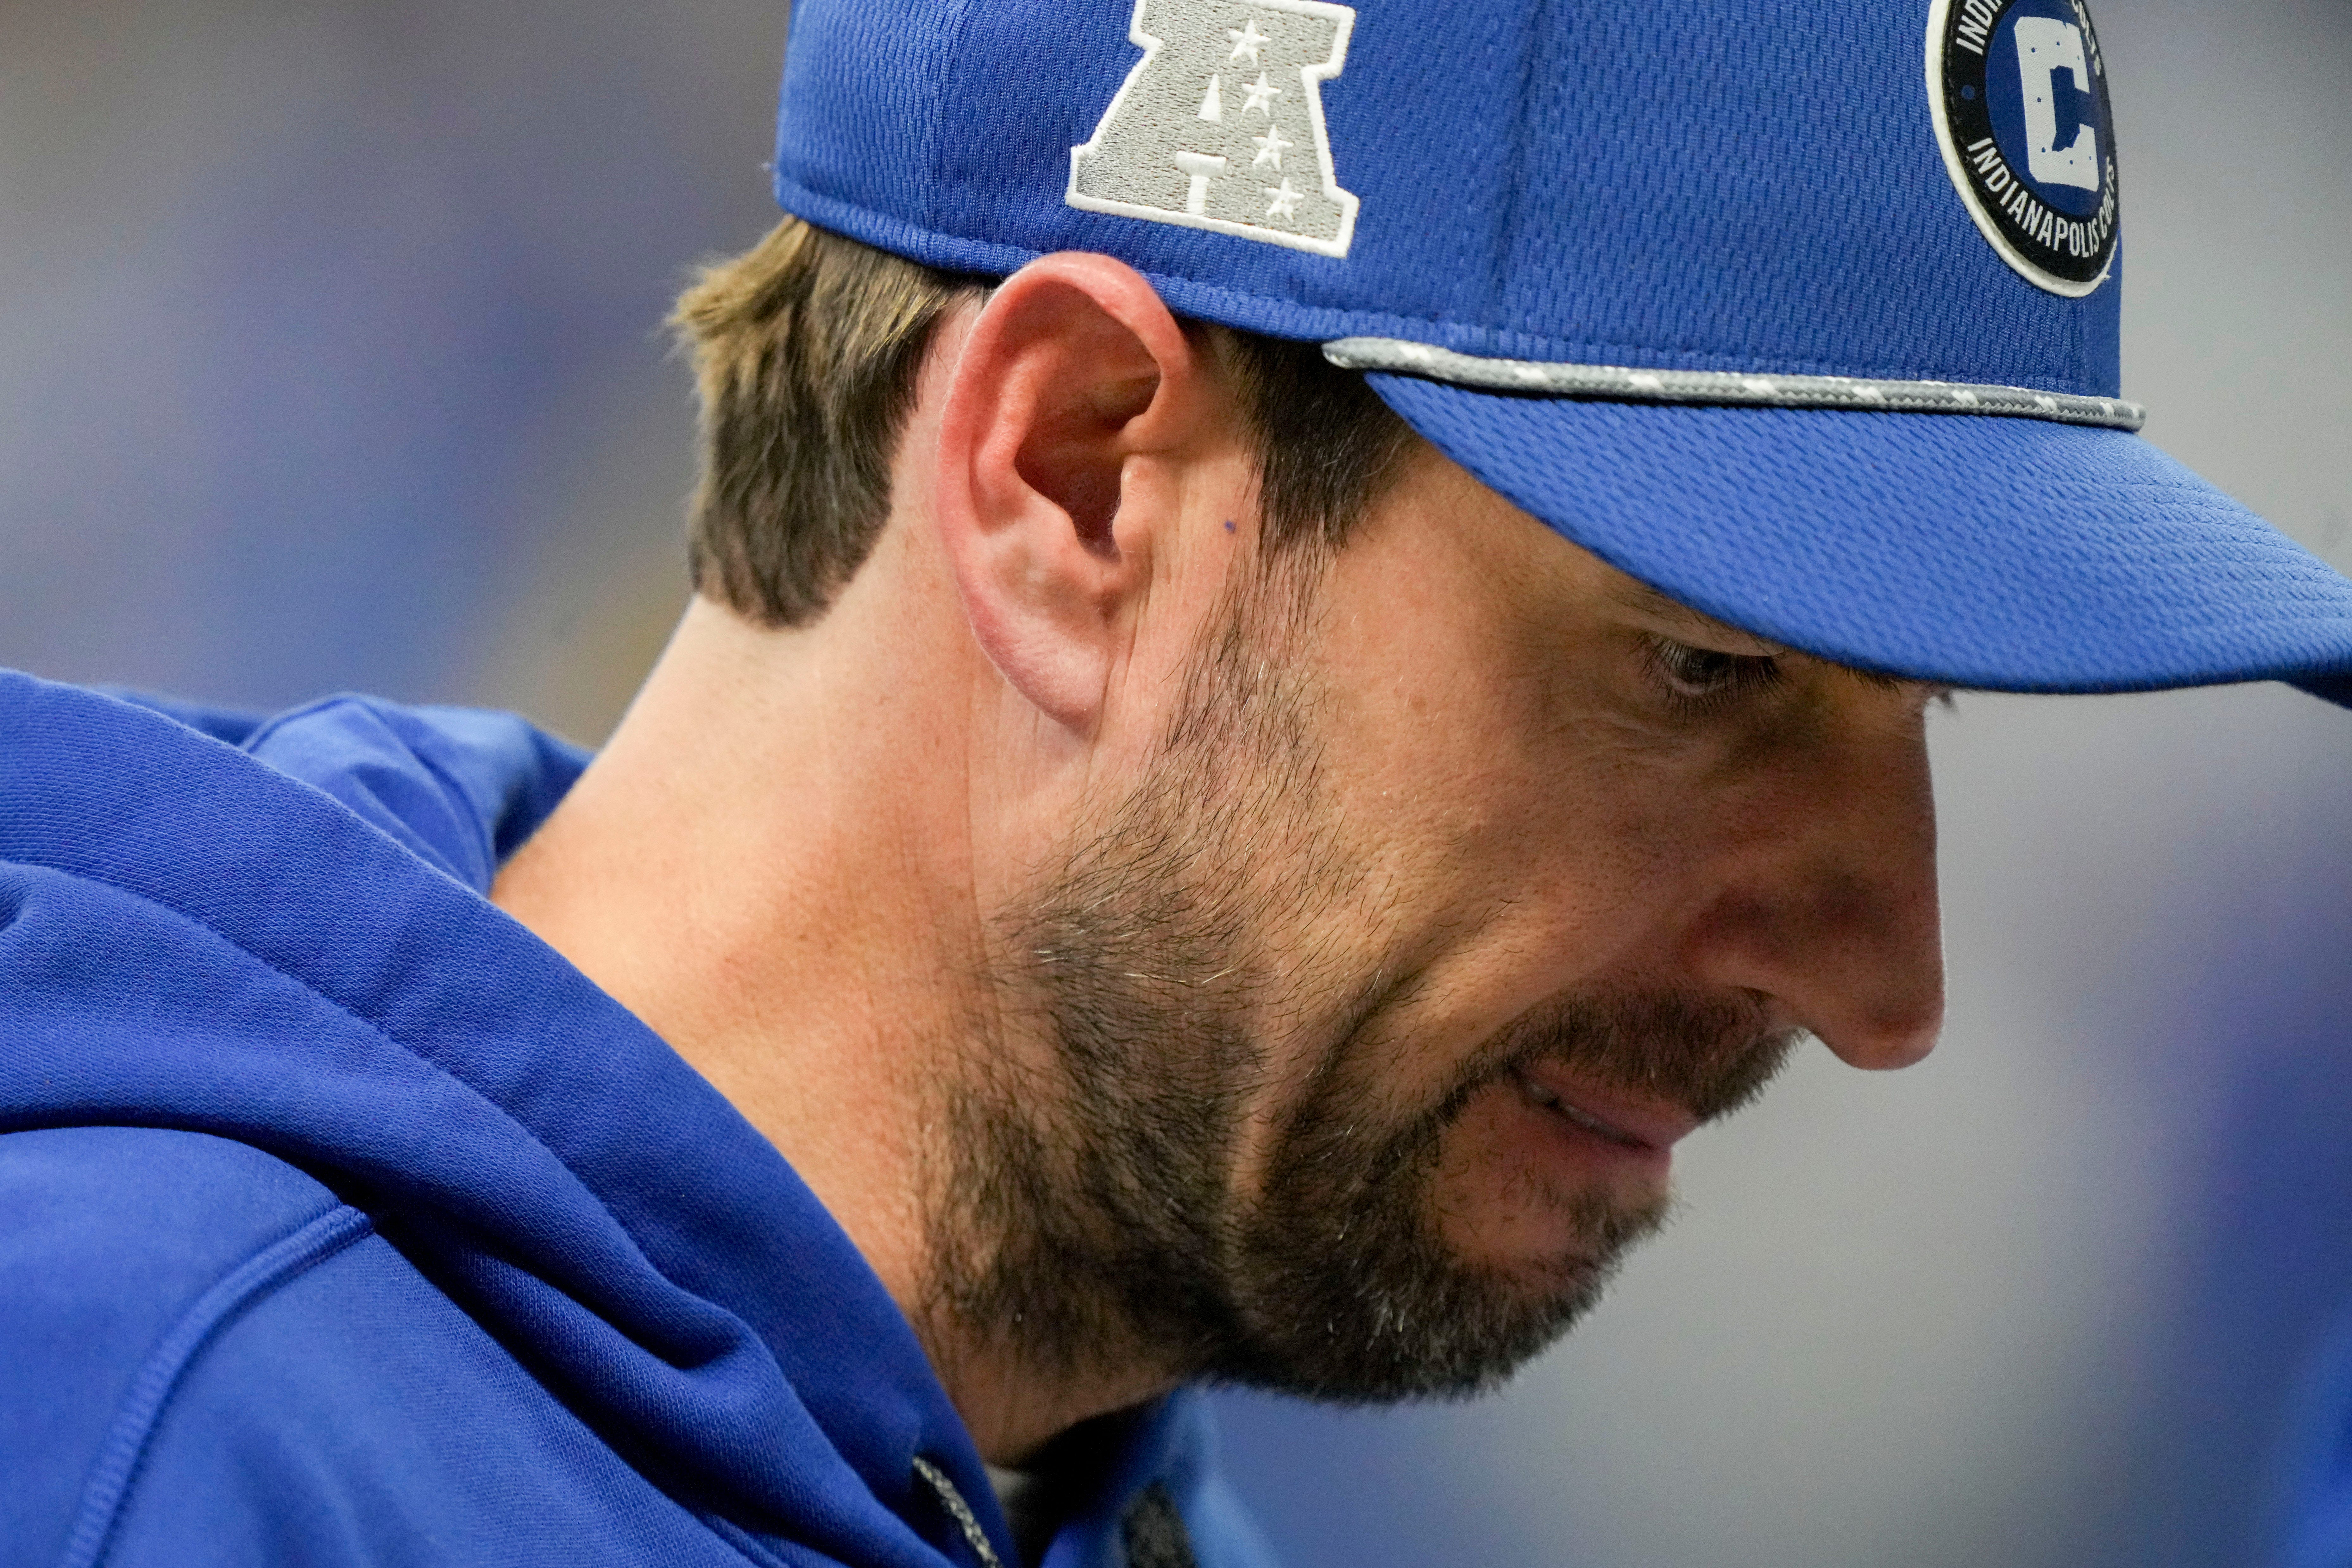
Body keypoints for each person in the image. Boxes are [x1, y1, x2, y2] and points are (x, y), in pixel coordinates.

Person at [5, 0, 2349, 1565]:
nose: (1885, 984)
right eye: (1705, 668)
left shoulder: (1068, 1469)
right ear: (1077, 478)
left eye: (1919, 714)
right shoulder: (147, 1444)